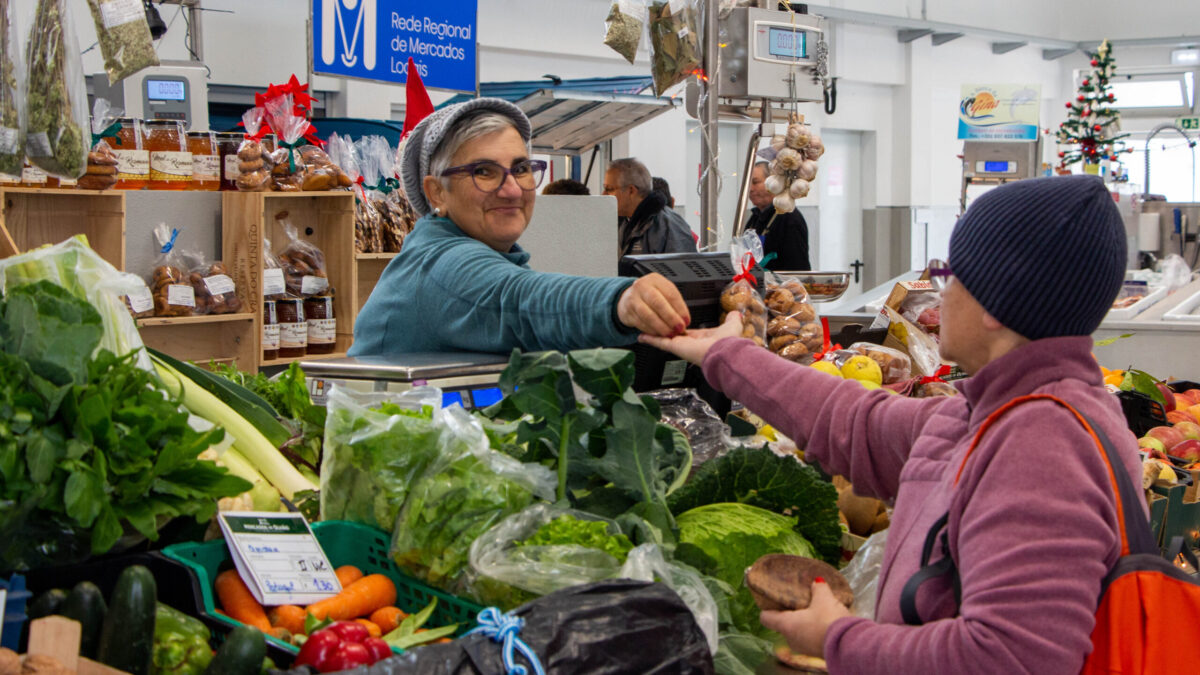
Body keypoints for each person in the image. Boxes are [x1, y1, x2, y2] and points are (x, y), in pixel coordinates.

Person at [643, 175, 1140, 674]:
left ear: (996, 301)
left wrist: (837, 638)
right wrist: (727, 354)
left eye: (953, 276)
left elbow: (1007, 658)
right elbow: (856, 423)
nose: (940, 296)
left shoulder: (1040, 445)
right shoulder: (999, 414)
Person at [350, 98, 691, 357]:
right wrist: (621, 300)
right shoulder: (443, 265)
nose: (512, 189)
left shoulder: (489, 255)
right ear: (437, 192)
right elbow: (523, 299)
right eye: (484, 171)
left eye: (521, 167)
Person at [604, 158, 697, 258]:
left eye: (609, 189)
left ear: (631, 190)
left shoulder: (669, 227)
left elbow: (682, 270)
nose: (604, 195)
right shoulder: (626, 223)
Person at [745, 161, 811, 271]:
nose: (750, 189)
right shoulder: (754, 218)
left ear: (773, 183)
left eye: (755, 182)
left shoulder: (789, 218)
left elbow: (798, 267)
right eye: (748, 184)